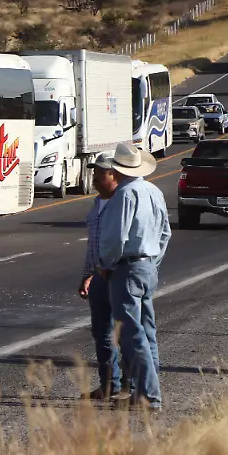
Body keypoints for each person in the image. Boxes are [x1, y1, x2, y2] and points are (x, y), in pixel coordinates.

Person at [94, 141, 172, 411]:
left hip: (127, 267)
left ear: (117, 169)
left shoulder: (125, 195)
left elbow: (116, 238)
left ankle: (149, 396)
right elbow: (165, 233)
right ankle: (146, 390)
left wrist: (105, 263)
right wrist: (154, 262)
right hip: (148, 265)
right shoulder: (153, 191)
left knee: (131, 333)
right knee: (146, 330)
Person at [79, 153, 127, 402]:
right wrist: (88, 275)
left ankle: (130, 387)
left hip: (120, 275)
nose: (95, 177)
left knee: (127, 332)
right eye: (94, 172)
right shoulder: (97, 203)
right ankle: (109, 384)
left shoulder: (123, 201)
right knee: (102, 332)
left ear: (114, 175)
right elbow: (93, 246)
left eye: (99, 173)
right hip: (99, 277)